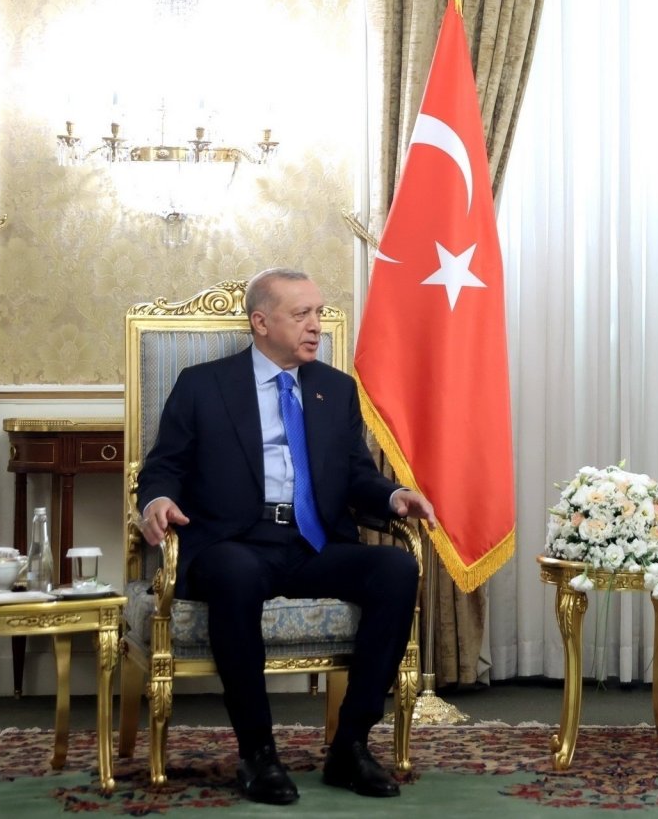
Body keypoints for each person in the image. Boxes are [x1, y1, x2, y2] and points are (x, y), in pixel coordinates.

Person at [137, 267, 436, 805]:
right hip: (234, 543)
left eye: (318, 313)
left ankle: (350, 746)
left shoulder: (335, 389)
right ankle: (258, 754)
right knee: (235, 571)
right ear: (260, 322)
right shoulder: (203, 385)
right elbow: (163, 468)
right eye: (302, 314)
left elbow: (355, 473)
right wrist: (157, 501)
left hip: (310, 543)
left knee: (396, 568)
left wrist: (393, 497)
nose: (316, 326)